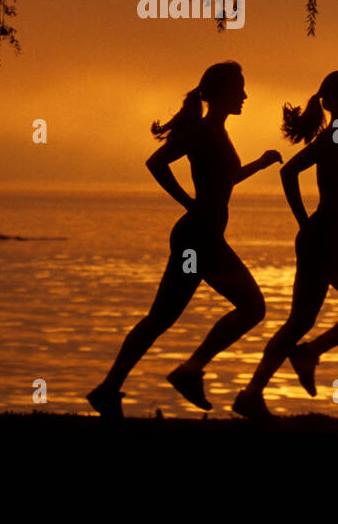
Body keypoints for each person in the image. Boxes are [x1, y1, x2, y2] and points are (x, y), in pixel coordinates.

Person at [87, 61, 281, 419]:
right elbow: (156, 162)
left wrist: (260, 164)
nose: (245, 95)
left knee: (160, 318)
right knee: (252, 307)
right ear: (221, 92)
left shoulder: (216, 132)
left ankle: (109, 389)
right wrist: (188, 202)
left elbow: (224, 179)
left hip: (200, 236)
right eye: (240, 88)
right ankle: (188, 371)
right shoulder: (204, 131)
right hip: (198, 238)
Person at [232, 71, 338, 418]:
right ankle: (300, 358)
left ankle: (258, 389)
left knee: (301, 321)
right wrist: (303, 221)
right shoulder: (334, 139)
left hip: (329, 244)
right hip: (323, 244)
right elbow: (288, 171)